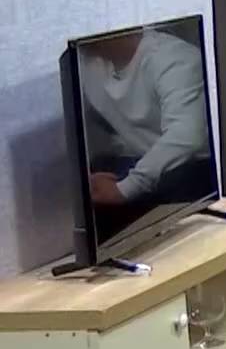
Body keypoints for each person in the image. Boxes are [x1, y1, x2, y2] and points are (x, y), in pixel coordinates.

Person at [77, 25, 216, 236]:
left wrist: (125, 189)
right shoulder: (89, 63)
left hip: (194, 166)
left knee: (177, 182)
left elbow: (186, 135)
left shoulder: (172, 58)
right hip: (141, 159)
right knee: (92, 174)